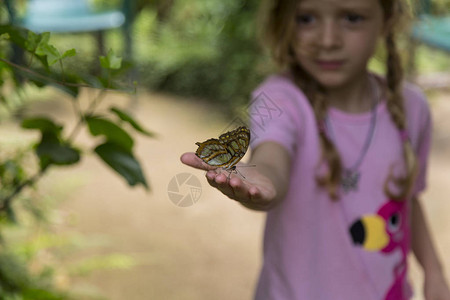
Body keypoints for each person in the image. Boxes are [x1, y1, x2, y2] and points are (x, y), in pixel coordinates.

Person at [181, 0, 450, 299]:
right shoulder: (277, 98)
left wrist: (434, 271)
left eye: (351, 17)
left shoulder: (412, 108)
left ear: (386, 19)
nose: (327, 40)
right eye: (307, 18)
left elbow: (407, 200)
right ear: (285, 21)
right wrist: (262, 179)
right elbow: (271, 157)